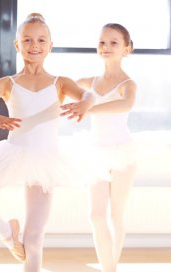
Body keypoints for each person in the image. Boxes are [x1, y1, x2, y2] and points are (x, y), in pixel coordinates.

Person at [0, 13, 94, 272]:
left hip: (46, 160)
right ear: (17, 45)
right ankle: (7, 233)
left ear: (50, 46)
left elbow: (88, 94)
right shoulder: (8, 83)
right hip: (13, 154)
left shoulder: (60, 83)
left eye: (41, 40)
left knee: (34, 238)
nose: (34, 45)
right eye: (27, 40)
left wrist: (85, 103)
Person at [74, 23, 137, 272]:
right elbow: (62, 87)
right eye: (102, 42)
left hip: (122, 153)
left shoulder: (128, 83)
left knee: (115, 215)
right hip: (95, 154)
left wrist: (87, 108)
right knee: (95, 216)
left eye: (113, 42)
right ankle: (107, 267)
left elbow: (126, 104)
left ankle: (111, 268)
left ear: (126, 49)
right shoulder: (89, 82)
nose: (106, 47)